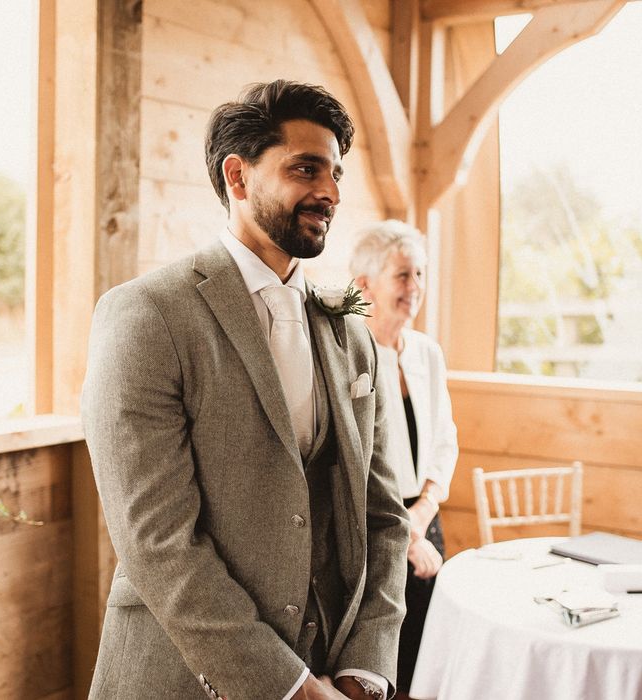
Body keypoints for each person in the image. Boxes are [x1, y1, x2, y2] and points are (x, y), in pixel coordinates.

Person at [81, 79, 410, 700]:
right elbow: (157, 541)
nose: (331, 193)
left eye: (336, 173)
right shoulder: (148, 317)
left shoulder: (351, 332)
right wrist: (287, 686)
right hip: (179, 676)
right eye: (306, 169)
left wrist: (366, 667)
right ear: (238, 177)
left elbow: (383, 516)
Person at [349, 221, 458, 700]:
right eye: (401, 276)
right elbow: (354, 460)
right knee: (378, 664)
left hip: (425, 517)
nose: (414, 288)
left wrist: (423, 516)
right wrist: (404, 532)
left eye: (420, 275)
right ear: (364, 285)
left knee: (428, 653)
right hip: (372, 525)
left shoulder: (428, 353)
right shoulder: (347, 352)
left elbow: (444, 442)